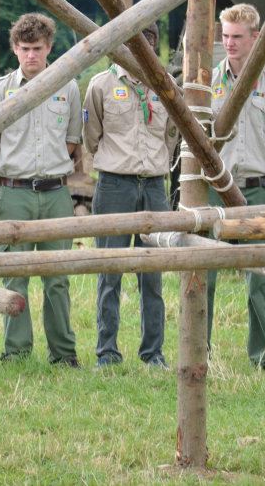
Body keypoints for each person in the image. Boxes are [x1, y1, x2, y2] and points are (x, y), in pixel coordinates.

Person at [0, 13, 81, 366]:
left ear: (49, 47)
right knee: (14, 274)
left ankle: (63, 353)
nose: (31, 56)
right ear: (14, 49)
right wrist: (10, 173)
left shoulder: (67, 86)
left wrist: (49, 168)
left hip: (55, 192)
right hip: (15, 192)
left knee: (57, 278)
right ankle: (17, 352)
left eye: (37, 48)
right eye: (24, 49)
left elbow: (72, 141)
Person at [82, 23, 178, 369]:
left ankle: (153, 353)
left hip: (153, 185)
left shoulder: (165, 84)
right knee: (110, 269)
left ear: (153, 47)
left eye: (148, 44)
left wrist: (154, 165)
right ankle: (106, 351)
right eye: (133, 44)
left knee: (153, 273)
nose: (141, 51)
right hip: (114, 185)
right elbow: (91, 135)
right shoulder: (101, 85)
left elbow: (171, 134)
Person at [207, 3, 265, 371]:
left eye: (237, 37)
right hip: (213, 188)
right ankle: (199, 350)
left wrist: (257, 181)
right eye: (224, 36)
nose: (229, 43)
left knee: (260, 274)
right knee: (202, 269)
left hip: (256, 188)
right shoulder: (208, 81)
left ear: (256, 38)